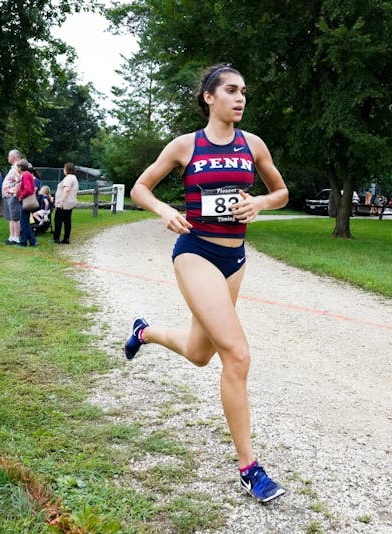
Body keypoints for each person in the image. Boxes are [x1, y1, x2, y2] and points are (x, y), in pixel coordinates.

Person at [126, 64, 289, 503]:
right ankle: (249, 468)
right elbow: (141, 187)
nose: (240, 98)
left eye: (244, 91)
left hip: (234, 258)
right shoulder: (186, 145)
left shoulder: (252, 144)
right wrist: (164, 210)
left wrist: (260, 202)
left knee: (200, 353)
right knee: (236, 354)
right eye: (231, 90)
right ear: (209, 97)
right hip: (195, 252)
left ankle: (144, 332)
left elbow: (281, 193)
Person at [52, 162, 78, 244]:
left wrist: (61, 200)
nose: (64, 170)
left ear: (67, 169)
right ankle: (66, 238)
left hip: (64, 204)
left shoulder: (68, 178)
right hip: (70, 203)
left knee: (58, 220)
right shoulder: (74, 177)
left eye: (64, 168)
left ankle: (56, 238)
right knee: (67, 221)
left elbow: (66, 189)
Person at [15, 159, 38, 247]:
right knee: (25, 222)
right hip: (27, 200)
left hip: (26, 201)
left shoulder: (25, 175)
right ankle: (32, 241)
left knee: (23, 222)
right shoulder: (27, 174)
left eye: (17, 167)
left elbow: (28, 189)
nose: (17, 168)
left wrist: (21, 196)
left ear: (20, 167)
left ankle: (24, 242)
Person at [2, 149, 22, 244]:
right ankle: (11, 237)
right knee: (10, 218)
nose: (8, 158)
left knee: (15, 218)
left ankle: (16, 238)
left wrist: (15, 193)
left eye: (9, 156)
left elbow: (19, 182)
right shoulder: (13, 168)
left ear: (13, 157)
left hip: (13, 196)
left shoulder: (18, 167)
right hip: (7, 195)